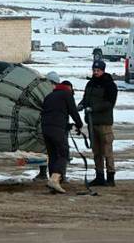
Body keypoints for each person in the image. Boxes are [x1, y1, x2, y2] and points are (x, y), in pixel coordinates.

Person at [41, 79, 83, 194]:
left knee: (53, 154)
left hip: (45, 128)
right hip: (57, 129)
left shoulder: (49, 96)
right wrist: (79, 124)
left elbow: (51, 112)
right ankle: (54, 180)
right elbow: (73, 111)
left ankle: (52, 181)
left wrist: (66, 125)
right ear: (69, 88)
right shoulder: (67, 95)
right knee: (64, 153)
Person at [81, 59, 119, 187]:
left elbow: (109, 103)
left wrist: (94, 108)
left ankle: (110, 176)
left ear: (103, 70)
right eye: (94, 70)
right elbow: (85, 99)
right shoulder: (90, 84)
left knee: (107, 150)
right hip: (92, 123)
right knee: (96, 151)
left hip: (104, 123)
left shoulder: (109, 85)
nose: (95, 72)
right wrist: (80, 106)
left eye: (98, 70)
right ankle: (99, 176)